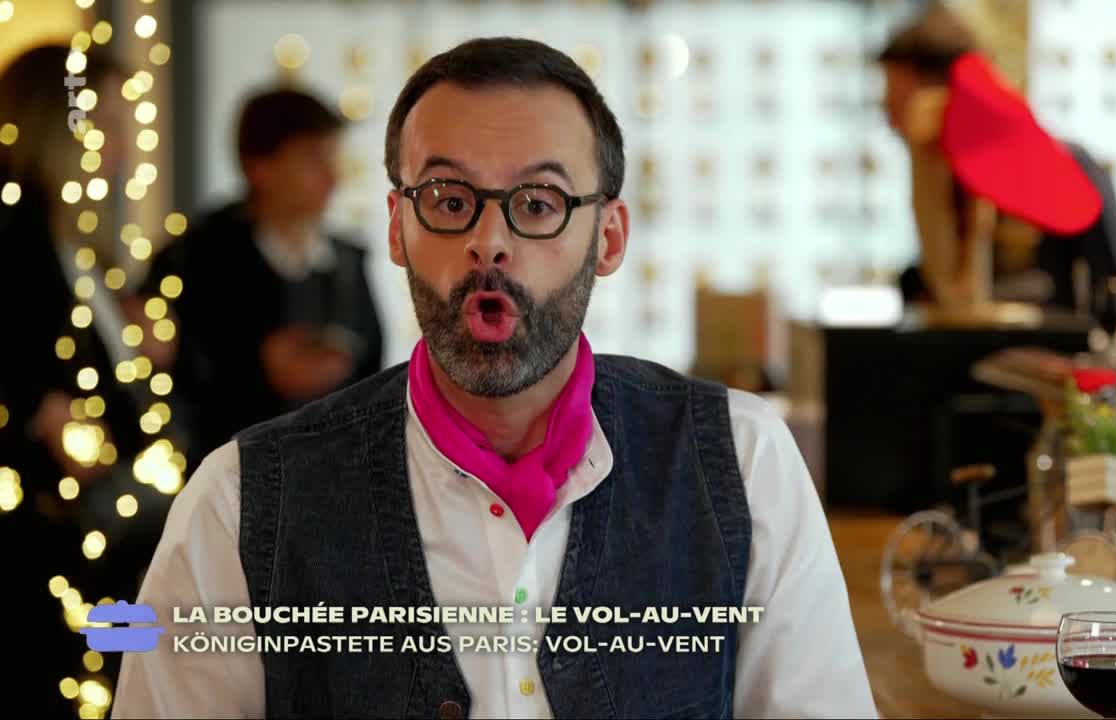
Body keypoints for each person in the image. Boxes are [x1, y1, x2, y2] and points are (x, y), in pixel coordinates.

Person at [115, 38, 876, 718]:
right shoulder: (240, 505)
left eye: (538, 204)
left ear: (607, 238)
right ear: (395, 226)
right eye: (448, 200)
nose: (489, 243)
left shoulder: (741, 467)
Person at [878, 4, 1116, 577]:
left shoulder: (1057, 172)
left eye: (897, 95)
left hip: (1111, 442)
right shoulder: (950, 194)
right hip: (1029, 449)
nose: (887, 113)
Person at [0, 44, 170, 717]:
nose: (126, 144)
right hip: (47, 556)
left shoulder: (83, 250)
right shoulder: (18, 244)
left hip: (107, 541)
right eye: (109, 121)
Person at [144, 89, 384, 468]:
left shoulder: (347, 261)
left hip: (330, 476)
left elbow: (373, 367)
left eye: (332, 159)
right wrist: (257, 371)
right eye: (312, 160)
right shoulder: (195, 258)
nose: (332, 177)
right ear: (260, 167)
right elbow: (163, 372)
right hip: (222, 475)